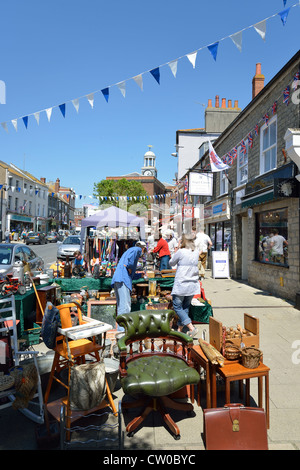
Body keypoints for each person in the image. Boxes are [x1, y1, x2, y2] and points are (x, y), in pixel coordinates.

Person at [169, 233, 200, 338]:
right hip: (192, 283)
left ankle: (191, 328)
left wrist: (176, 249)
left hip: (182, 284)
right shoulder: (196, 252)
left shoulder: (181, 252)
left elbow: (171, 263)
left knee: (177, 306)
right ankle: (180, 329)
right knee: (185, 306)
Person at [111, 241, 147, 330]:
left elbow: (131, 274)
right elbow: (129, 265)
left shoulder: (129, 251)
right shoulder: (137, 249)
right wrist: (130, 268)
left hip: (118, 279)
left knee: (121, 306)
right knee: (125, 306)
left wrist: (140, 275)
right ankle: (123, 331)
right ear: (143, 248)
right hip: (123, 279)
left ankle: (120, 329)